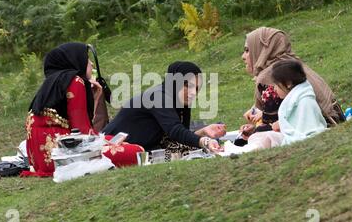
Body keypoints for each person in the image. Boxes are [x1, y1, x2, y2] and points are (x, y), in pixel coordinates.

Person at [22, 43, 144, 177]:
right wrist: (107, 144)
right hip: (63, 157)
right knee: (136, 151)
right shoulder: (76, 81)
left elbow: (79, 128)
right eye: (87, 59)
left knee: (114, 139)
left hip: (41, 159)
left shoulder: (53, 83)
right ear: (76, 61)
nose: (91, 63)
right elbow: (83, 133)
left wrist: (95, 98)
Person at [237, 27, 344, 145]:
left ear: (261, 50)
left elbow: (275, 124)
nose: (243, 56)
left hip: (314, 127)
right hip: (333, 121)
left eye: (247, 50)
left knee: (256, 139)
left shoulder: (272, 75)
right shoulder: (292, 64)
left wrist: (252, 134)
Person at [103, 61, 225, 158]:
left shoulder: (181, 100)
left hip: (141, 149)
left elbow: (179, 137)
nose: (193, 93)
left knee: (187, 151)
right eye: (188, 86)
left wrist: (204, 131)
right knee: (176, 155)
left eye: (197, 89)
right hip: (112, 147)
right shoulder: (158, 96)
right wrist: (205, 141)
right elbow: (175, 130)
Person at [234, 59, 327, 153]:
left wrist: (281, 125)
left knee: (265, 137)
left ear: (288, 84)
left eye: (276, 85)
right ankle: (246, 149)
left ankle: (246, 151)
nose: (274, 89)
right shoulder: (296, 98)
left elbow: (308, 130)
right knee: (260, 136)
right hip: (287, 136)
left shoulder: (305, 101)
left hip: (296, 139)